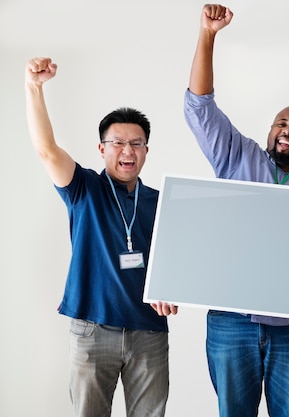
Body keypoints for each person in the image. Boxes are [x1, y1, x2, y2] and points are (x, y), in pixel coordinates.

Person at [182, 5, 289, 417]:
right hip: (232, 321)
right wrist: (208, 35)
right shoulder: (237, 157)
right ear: (270, 130)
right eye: (281, 122)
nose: (287, 128)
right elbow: (199, 108)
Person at [25, 57, 178, 417]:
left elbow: (176, 261)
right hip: (93, 330)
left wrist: (171, 291)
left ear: (146, 151)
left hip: (149, 334)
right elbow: (47, 149)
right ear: (102, 149)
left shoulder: (161, 201)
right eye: (118, 142)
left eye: (137, 144)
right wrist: (34, 87)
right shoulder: (84, 188)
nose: (128, 151)